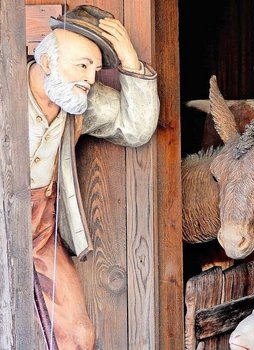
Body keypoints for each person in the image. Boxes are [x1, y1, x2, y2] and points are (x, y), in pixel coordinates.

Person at [29, 5, 159, 349]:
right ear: (47, 63)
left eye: (96, 69)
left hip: (40, 235)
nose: (89, 78)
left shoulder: (77, 101)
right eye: (82, 65)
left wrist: (130, 62)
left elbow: (136, 128)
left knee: (78, 336)